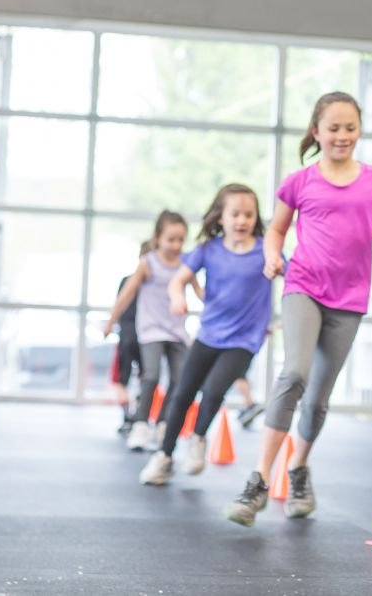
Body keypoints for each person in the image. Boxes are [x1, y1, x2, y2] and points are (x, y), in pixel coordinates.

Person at [224, 91, 372, 526]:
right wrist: (273, 255)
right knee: (294, 375)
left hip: (349, 299)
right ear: (317, 132)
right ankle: (258, 482)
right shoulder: (300, 181)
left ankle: (299, 469)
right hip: (303, 286)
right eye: (333, 128)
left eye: (349, 128)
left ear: (359, 131)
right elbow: (275, 229)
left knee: (319, 401)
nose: (342, 136)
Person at [139, 184, 275, 485]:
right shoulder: (207, 250)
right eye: (235, 214)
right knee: (181, 394)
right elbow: (179, 281)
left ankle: (198, 438)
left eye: (249, 215)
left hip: (244, 339)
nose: (242, 221)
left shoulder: (266, 250)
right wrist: (177, 297)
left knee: (214, 391)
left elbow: (293, 278)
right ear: (221, 217)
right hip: (209, 334)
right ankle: (164, 456)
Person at [104, 211, 193, 452]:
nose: (176, 245)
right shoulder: (148, 263)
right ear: (158, 238)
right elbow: (127, 294)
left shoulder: (187, 263)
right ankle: (140, 424)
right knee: (151, 376)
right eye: (171, 239)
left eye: (181, 240)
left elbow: (203, 292)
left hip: (176, 331)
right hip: (151, 330)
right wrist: (111, 320)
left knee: (179, 379)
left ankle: (163, 423)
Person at [109, 241, 151, 436]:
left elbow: (120, 304)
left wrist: (110, 324)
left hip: (134, 336)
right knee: (144, 378)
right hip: (139, 336)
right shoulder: (143, 283)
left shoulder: (131, 281)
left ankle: (130, 418)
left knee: (123, 380)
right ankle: (135, 417)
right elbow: (121, 303)